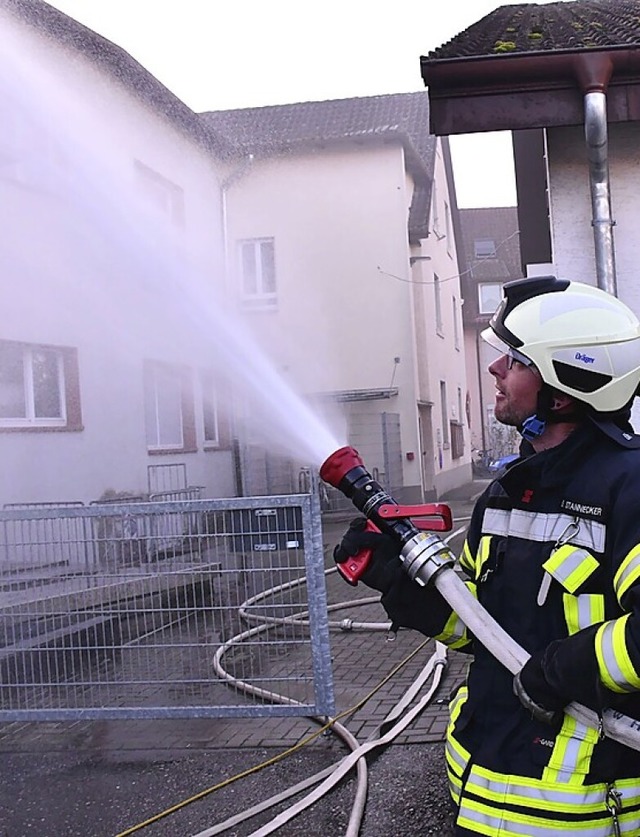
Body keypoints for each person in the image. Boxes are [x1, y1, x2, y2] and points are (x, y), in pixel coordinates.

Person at [334, 276, 640, 836]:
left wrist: (558, 669)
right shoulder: (506, 492)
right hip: (479, 798)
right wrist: (401, 585)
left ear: (564, 388)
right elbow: (479, 627)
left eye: (515, 360)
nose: (496, 370)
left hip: (585, 816)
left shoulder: (629, 490)